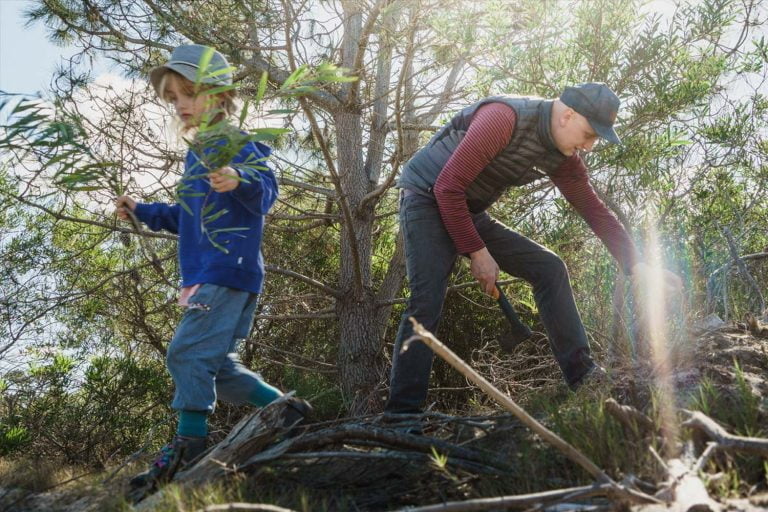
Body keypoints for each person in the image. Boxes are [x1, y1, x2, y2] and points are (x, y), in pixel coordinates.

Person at [386, 83, 680, 417]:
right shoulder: (504, 118)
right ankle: (401, 417)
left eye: (596, 138)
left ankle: (583, 377)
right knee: (426, 301)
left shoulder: (563, 155)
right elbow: (447, 187)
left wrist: (637, 266)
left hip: (466, 209)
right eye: (588, 134)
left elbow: (594, 210)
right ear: (567, 115)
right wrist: (478, 252)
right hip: (427, 198)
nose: (590, 145)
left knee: (549, 268)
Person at [117, 44, 311, 488]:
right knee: (219, 370)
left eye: (190, 93)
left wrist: (239, 179)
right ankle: (285, 410)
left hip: (228, 270)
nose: (181, 105)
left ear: (220, 95)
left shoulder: (236, 141)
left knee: (185, 352)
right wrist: (141, 210)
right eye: (173, 98)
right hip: (211, 273)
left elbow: (264, 191)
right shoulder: (197, 152)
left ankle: (189, 445)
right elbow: (185, 217)